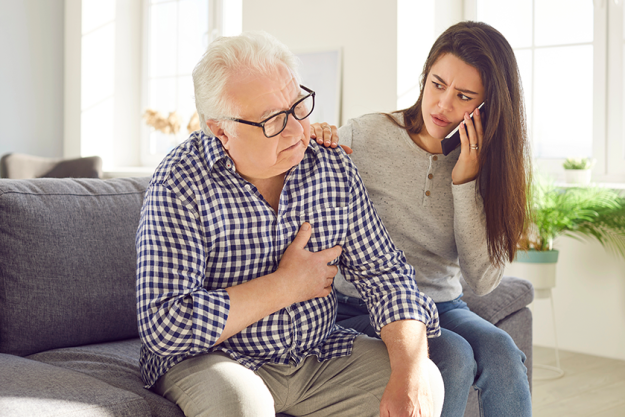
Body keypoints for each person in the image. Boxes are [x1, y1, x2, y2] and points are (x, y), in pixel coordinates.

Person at [136, 31, 445, 417]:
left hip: (316, 354)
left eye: (299, 106)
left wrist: (408, 370)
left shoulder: (332, 167)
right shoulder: (180, 182)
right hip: (212, 359)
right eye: (272, 121)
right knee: (240, 403)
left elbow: (385, 274)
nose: (299, 131)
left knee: (424, 379)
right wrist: (284, 286)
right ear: (221, 131)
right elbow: (165, 325)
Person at [312, 21, 532, 417]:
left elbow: (482, 280)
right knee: (454, 355)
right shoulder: (366, 135)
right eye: (437, 84)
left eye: (464, 96)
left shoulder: (490, 168)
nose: (443, 105)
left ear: (488, 107)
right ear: (424, 78)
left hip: (443, 304)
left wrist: (465, 179)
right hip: (362, 304)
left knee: (502, 354)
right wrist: (316, 139)